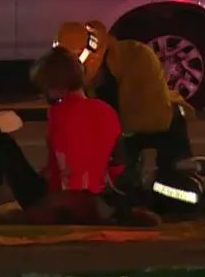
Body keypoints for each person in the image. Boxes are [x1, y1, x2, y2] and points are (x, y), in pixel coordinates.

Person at [0, 47, 155, 225]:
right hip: (100, 198)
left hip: (64, 201)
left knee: (2, 142)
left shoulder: (59, 113)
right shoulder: (107, 110)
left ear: (56, 86)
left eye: (46, 87)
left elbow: (64, 169)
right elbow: (117, 165)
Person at [53, 21, 194, 203]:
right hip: (119, 132)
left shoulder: (138, 58)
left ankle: (173, 192)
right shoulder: (81, 83)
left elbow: (157, 117)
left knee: (172, 191)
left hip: (158, 124)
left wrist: (109, 131)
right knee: (120, 190)